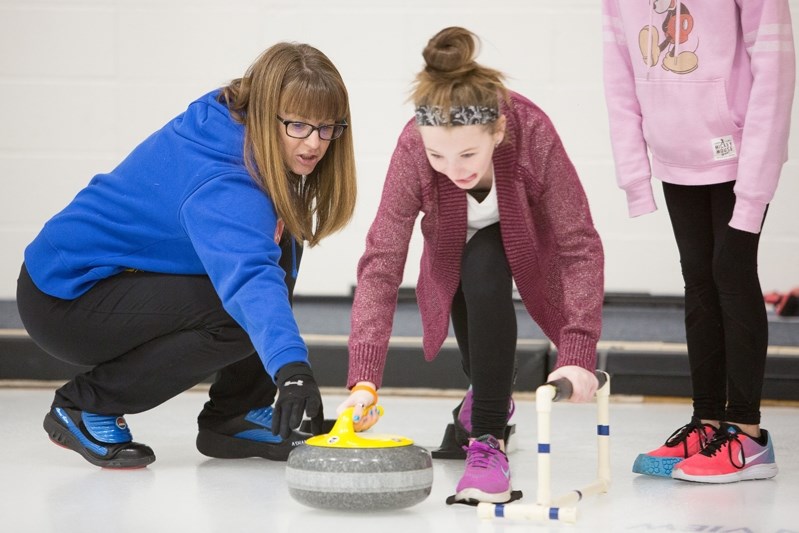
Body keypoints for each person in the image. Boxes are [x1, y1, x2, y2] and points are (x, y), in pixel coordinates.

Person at [16, 41, 357, 468]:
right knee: (237, 308)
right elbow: (248, 277)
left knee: (282, 242)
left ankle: (234, 413)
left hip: (110, 280)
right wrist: (292, 370)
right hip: (67, 297)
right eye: (299, 126)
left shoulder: (234, 118)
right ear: (267, 112)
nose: (315, 143)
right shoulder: (227, 178)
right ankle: (87, 404)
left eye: (328, 128)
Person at [337, 26, 605, 504]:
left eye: (468, 154)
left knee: (484, 269)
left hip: (520, 247)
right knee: (477, 349)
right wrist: (364, 379)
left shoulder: (530, 131)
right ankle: (488, 395)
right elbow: (382, 260)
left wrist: (578, 350)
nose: (453, 168)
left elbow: (578, 242)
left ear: (497, 130)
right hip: (447, 254)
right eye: (438, 154)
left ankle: (488, 442)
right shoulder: (412, 150)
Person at [602, 0, 794, 483]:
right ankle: (707, 422)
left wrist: (754, 187)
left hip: (738, 148)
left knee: (731, 272)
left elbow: (774, 67)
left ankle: (748, 436)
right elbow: (619, 72)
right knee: (699, 278)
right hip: (675, 152)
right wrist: (635, 175)